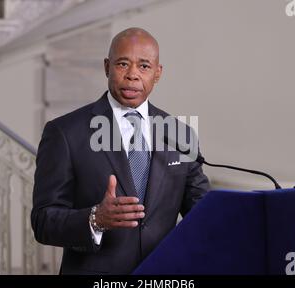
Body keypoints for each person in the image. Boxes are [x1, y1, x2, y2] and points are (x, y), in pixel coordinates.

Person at [31, 27, 210, 275]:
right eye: (123, 64)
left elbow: (203, 212)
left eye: (144, 66)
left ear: (158, 73)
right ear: (107, 66)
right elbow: (43, 222)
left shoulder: (180, 134)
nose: (132, 75)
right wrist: (95, 219)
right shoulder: (64, 133)